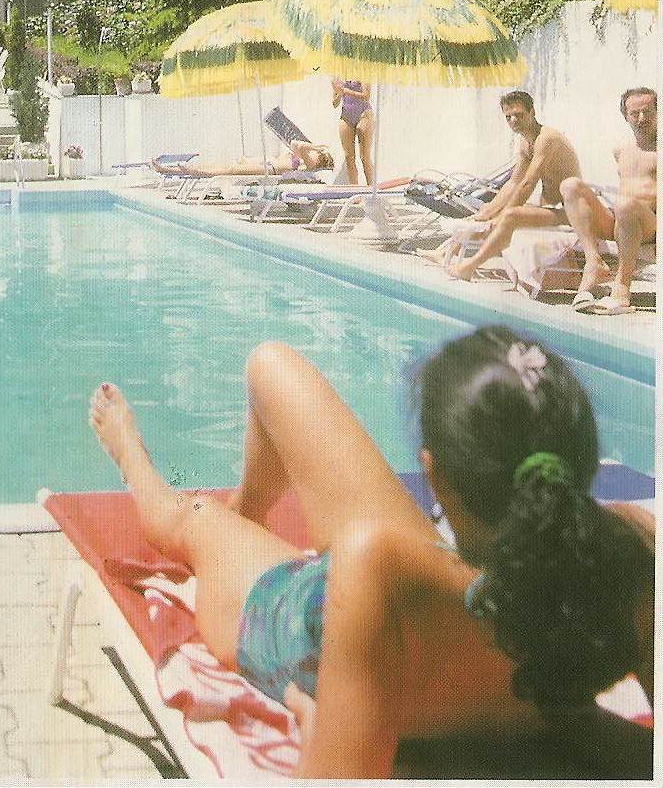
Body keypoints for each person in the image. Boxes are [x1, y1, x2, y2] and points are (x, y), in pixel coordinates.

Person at [88, 327, 654, 778]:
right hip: (417, 600)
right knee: (269, 366)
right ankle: (245, 519)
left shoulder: (379, 562)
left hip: (299, 623)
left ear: (434, 475)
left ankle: (134, 458)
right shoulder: (634, 548)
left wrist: (318, 724)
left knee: (194, 517)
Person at [441, 90, 581, 282]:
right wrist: (490, 211)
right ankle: (445, 252)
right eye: (508, 117)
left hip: (571, 213)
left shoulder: (546, 139)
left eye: (519, 115)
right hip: (551, 209)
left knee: (509, 216)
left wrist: (502, 214)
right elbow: (513, 183)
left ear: (532, 112)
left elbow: (528, 183)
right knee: (488, 210)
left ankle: (469, 266)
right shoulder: (525, 142)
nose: (513, 120)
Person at [560, 87, 658, 315]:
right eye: (635, 113)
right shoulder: (621, 149)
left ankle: (621, 289)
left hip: (651, 225)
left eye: (647, 112)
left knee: (625, 204)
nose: (641, 119)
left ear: (657, 112)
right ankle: (593, 262)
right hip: (621, 220)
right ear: (625, 116)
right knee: (570, 186)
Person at [164, 140, 334, 179]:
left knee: (231, 170)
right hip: (264, 164)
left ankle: (197, 172)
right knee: (221, 164)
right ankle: (170, 170)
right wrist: (315, 147)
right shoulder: (302, 158)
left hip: (269, 169)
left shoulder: (310, 164)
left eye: (317, 154)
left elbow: (300, 145)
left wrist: (316, 148)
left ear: (320, 159)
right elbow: (295, 143)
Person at [331, 77, 374, 186]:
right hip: (346, 115)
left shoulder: (362, 73)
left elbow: (366, 96)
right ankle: (354, 189)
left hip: (363, 114)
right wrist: (339, 94)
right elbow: (334, 104)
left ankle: (371, 188)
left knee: (364, 157)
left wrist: (345, 91)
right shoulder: (338, 77)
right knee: (349, 157)